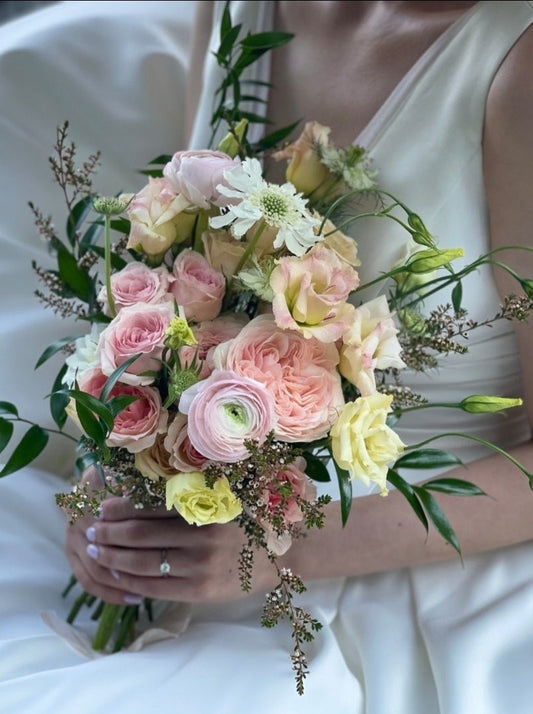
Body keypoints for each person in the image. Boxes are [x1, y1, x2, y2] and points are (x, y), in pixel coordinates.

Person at [1, 1, 533, 712]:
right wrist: (122, 466)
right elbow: (186, 276)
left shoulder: (518, 65)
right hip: (199, 522)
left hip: (408, 550)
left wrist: (278, 552)